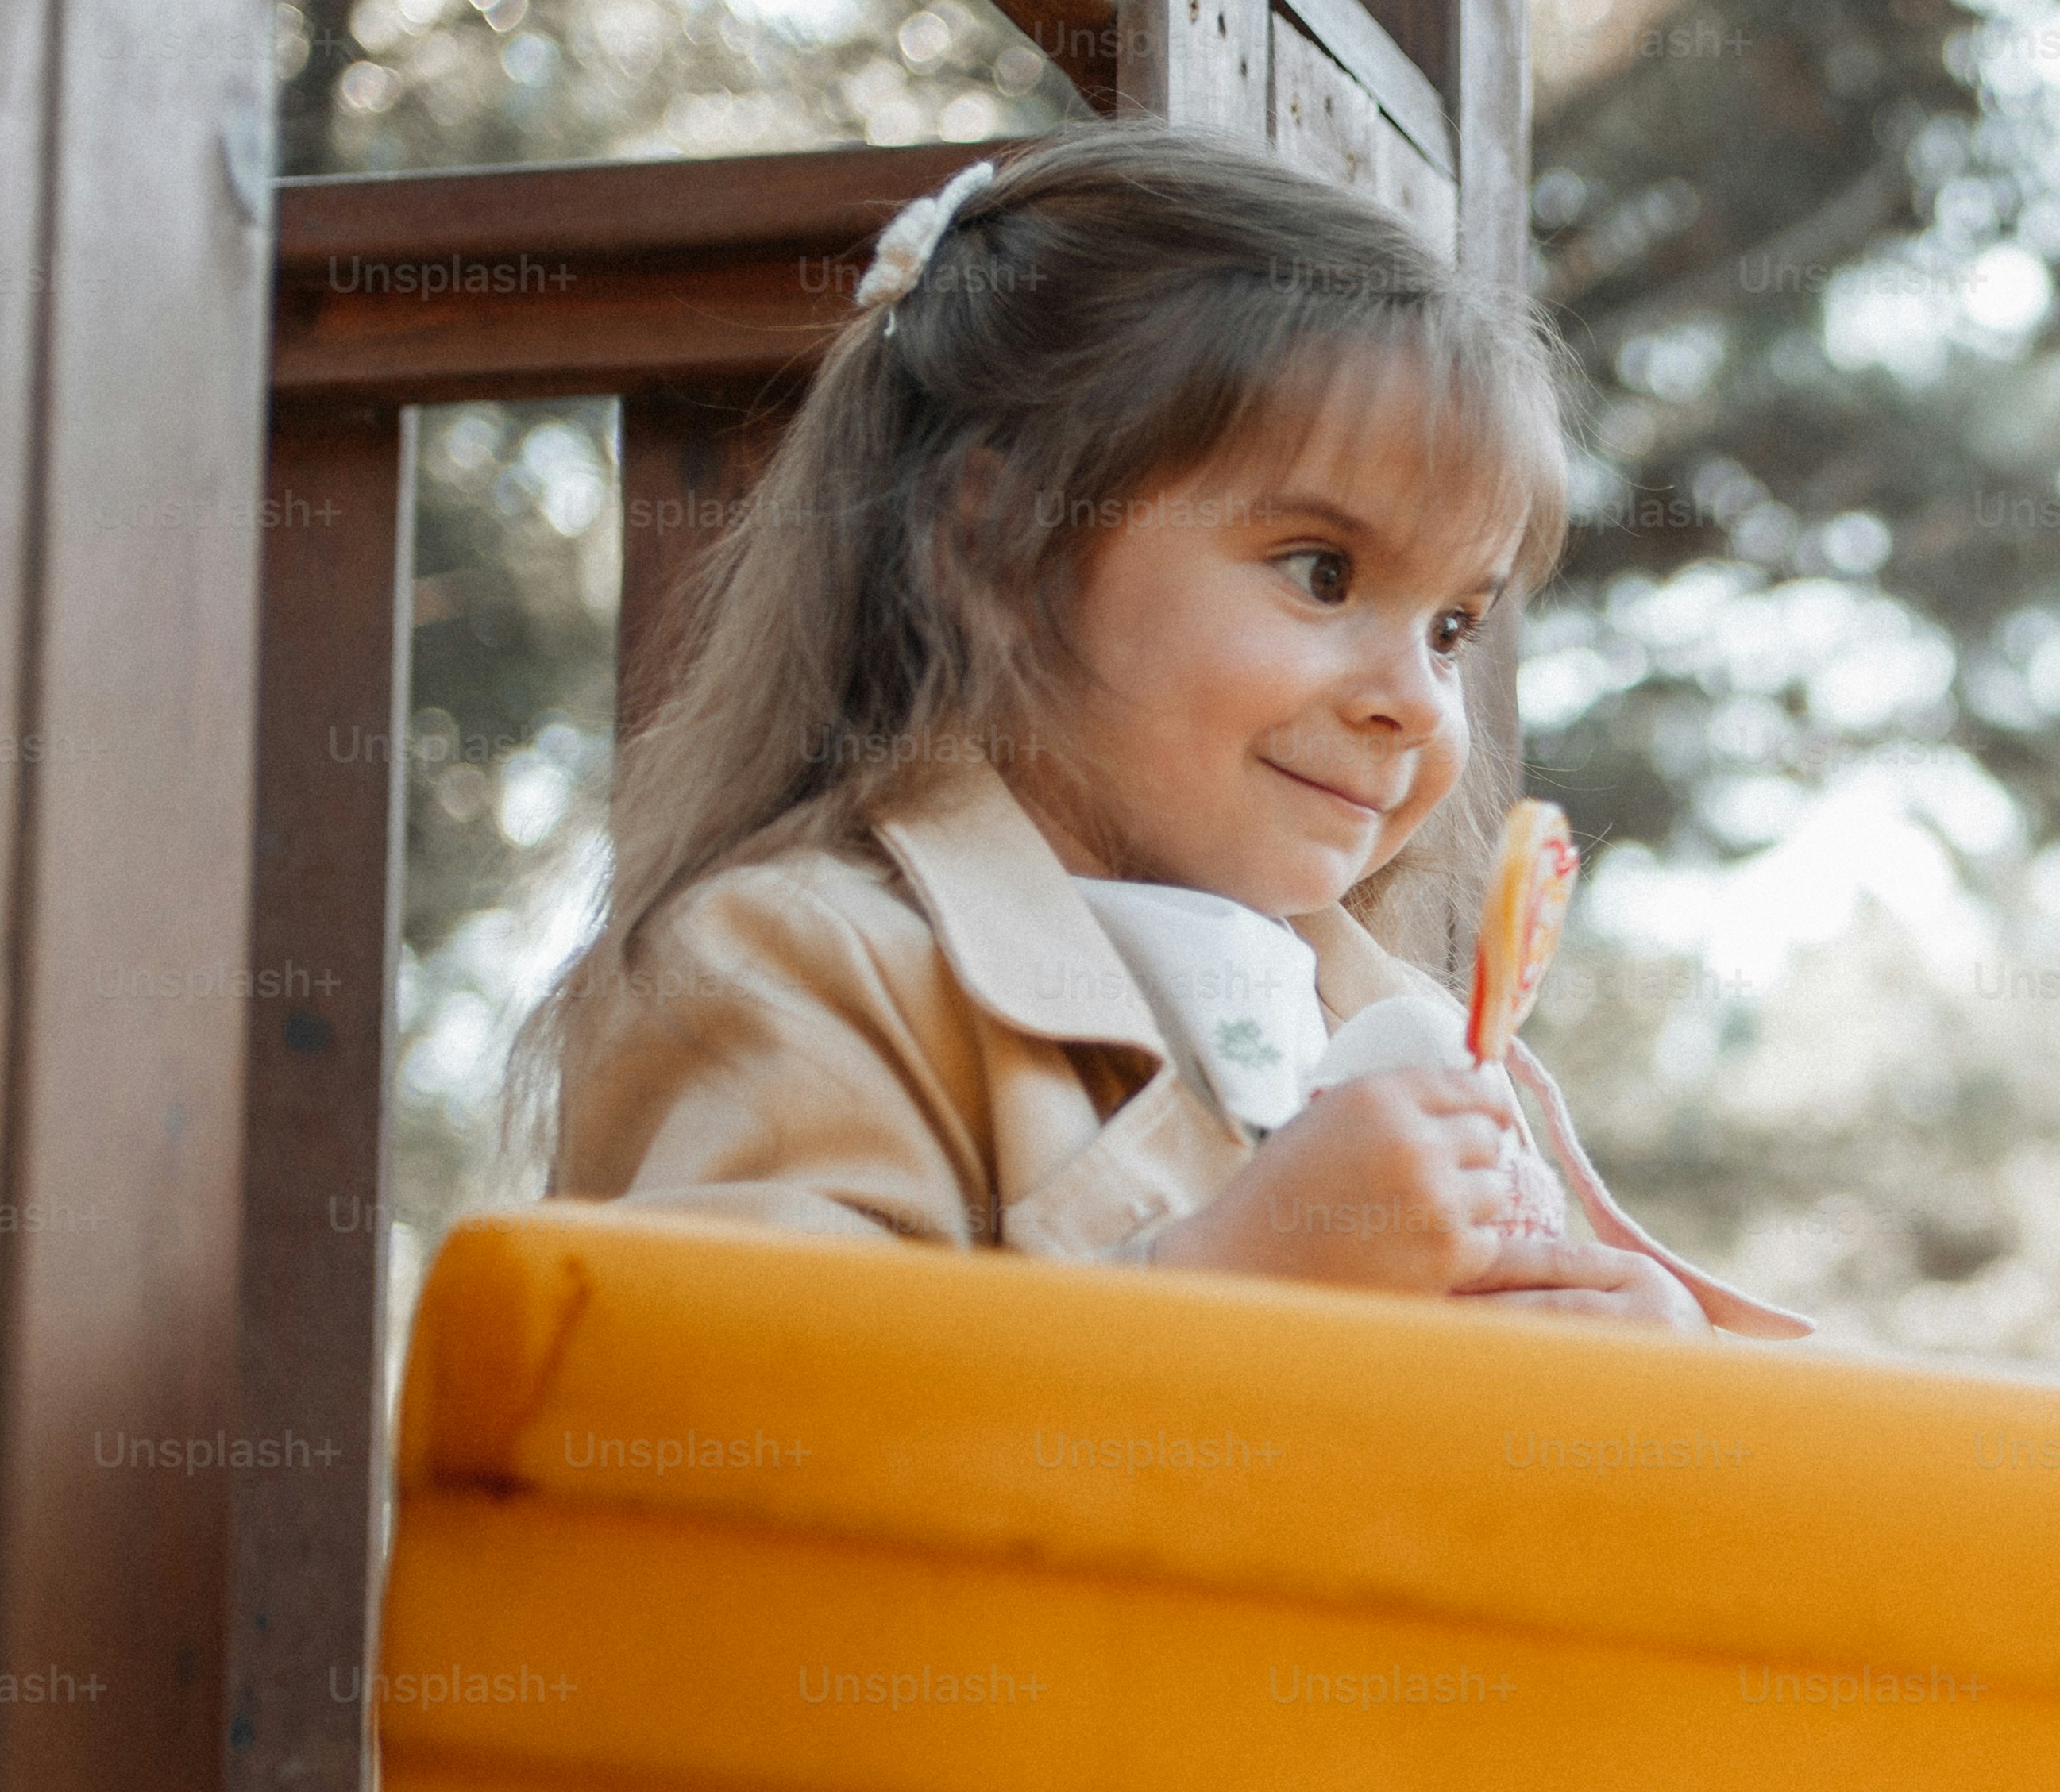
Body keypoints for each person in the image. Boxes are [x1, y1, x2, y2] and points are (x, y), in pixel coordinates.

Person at [513, 125, 1782, 1327]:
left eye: (1453, 627)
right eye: (1322, 572)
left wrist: (1634, 1377)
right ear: (997, 536)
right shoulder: (795, 963)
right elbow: (739, 1448)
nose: (1412, 697)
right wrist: (1227, 1288)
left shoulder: (1383, 1031)